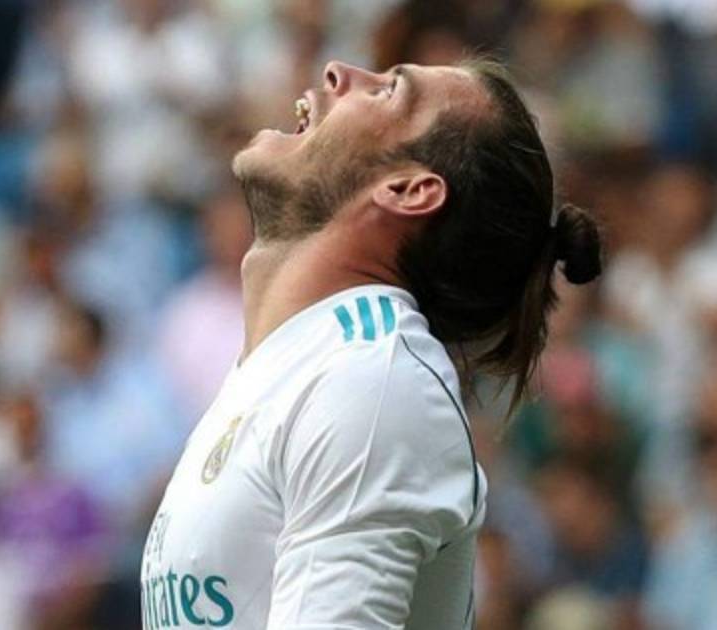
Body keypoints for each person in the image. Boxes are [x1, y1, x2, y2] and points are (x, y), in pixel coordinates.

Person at [139, 59, 602, 629]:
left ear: (407, 191)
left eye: (388, 91)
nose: (339, 72)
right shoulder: (301, 367)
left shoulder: (372, 382)